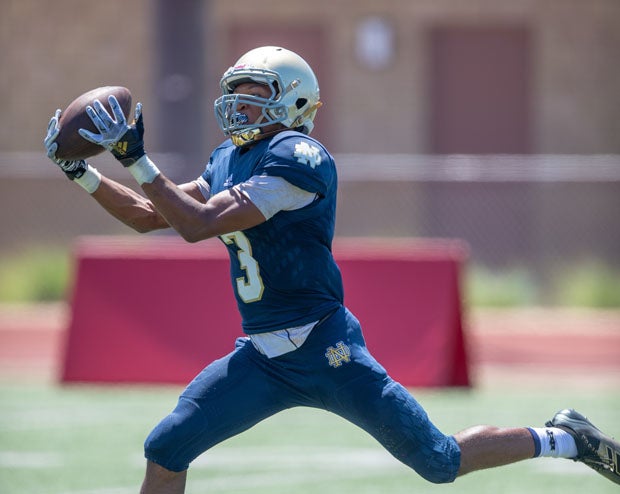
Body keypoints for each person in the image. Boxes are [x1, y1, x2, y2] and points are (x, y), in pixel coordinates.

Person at [44, 46, 619, 493]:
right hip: (263, 357)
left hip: (326, 349)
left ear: (293, 102)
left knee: (439, 462)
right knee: (166, 446)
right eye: (235, 94)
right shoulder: (228, 157)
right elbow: (152, 216)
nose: (238, 106)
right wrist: (81, 172)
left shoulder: (301, 158)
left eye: (253, 95)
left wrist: (136, 158)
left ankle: (564, 438)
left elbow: (195, 224)